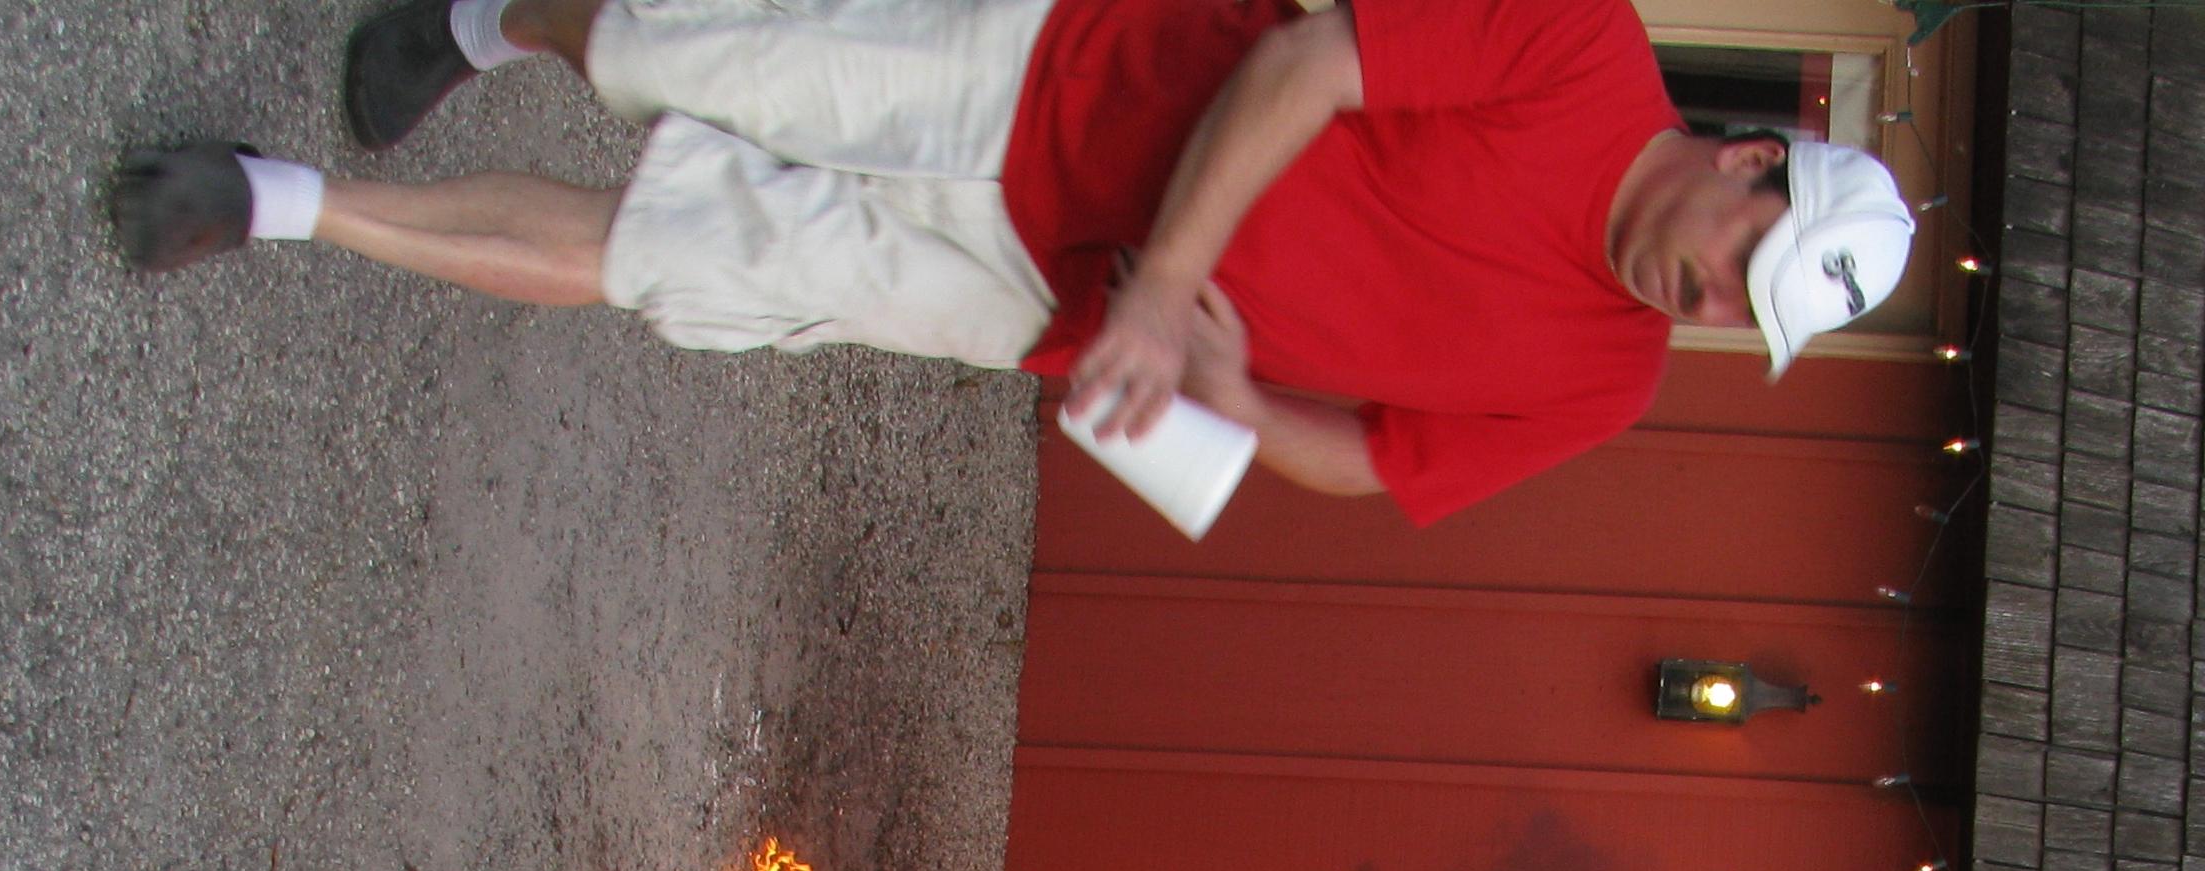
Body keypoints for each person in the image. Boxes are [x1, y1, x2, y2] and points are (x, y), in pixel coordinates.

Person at [111, 0, 1918, 523]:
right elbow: (1305, 64)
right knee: (670, 44)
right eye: (1738, 266)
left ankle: (284, 206)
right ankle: (492, 23)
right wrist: (1164, 284)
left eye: (1735, 328)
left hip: (1033, 305)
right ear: (1756, 160)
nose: (1702, 313)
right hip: (1048, 74)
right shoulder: (1573, 45)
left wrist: (1219, 387)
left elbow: (1373, 459)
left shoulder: (1602, 384)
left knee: (675, 266)